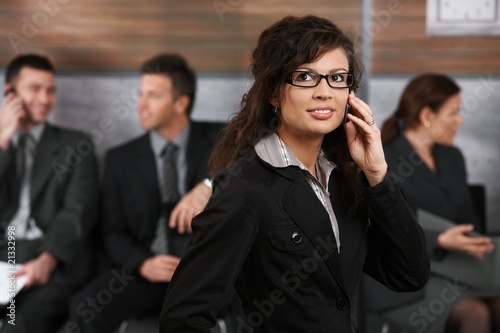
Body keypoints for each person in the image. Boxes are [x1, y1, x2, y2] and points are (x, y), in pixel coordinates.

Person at [159, 15, 430, 333]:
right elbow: (182, 320)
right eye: (305, 77)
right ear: (274, 93)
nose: (324, 92)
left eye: (337, 78)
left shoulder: (342, 181)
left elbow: (409, 274)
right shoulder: (244, 189)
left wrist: (377, 174)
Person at [67, 53, 227, 332]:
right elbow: (111, 232)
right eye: (140, 94)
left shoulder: (223, 138)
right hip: (148, 274)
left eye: (153, 95)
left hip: (211, 272)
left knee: (258, 304)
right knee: (85, 307)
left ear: (181, 103)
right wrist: (143, 264)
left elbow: (257, 154)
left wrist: (208, 186)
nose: (141, 105)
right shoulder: (120, 159)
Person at [379, 73, 500, 333]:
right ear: (426, 116)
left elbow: (468, 217)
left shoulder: (452, 157)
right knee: (475, 313)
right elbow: (380, 230)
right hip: (401, 278)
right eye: (453, 113)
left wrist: (472, 240)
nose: (461, 120)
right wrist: (439, 240)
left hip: (457, 267)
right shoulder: (381, 160)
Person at [0, 54, 99, 333]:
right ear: (10, 92)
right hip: (3, 255)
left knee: (18, 325)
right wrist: (2, 141)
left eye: (51, 90)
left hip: (49, 257)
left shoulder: (76, 145)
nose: (45, 99)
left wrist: (47, 260)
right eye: (35, 89)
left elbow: (77, 213)